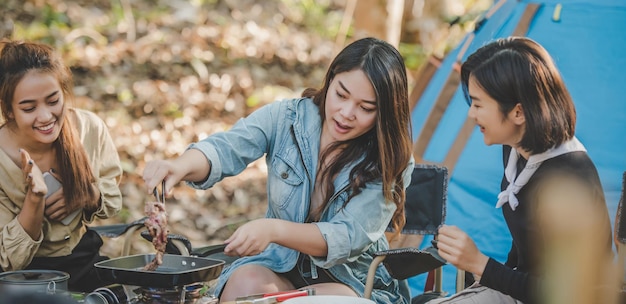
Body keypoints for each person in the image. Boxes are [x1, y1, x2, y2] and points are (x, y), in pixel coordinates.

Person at [142, 37, 414, 304]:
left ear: (385, 113)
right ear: (330, 80)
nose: (346, 112)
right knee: (244, 286)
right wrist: (179, 165)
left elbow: (346, 238)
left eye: (365, 108)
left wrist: (273, 229)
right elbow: (227, 148)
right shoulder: (287, 119)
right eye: (341, 95)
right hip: (278, 264)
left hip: (353, 283)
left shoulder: (389, 158)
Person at [427, 37, 613, 304]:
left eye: (478, 104)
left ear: (518, 113)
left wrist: (479, 263)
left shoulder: (568, 178)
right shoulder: (519, 149)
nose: (471, 115)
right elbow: (527, 257)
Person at [0, 40, 123, 292]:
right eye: (29, 108)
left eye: (53, 101)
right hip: (23, 278)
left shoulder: (88, 128)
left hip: (84, 260)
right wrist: (35, 200)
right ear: (9, 110)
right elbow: (8, 261)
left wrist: (87, 195)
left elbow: (112, 199)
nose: (45, 117)